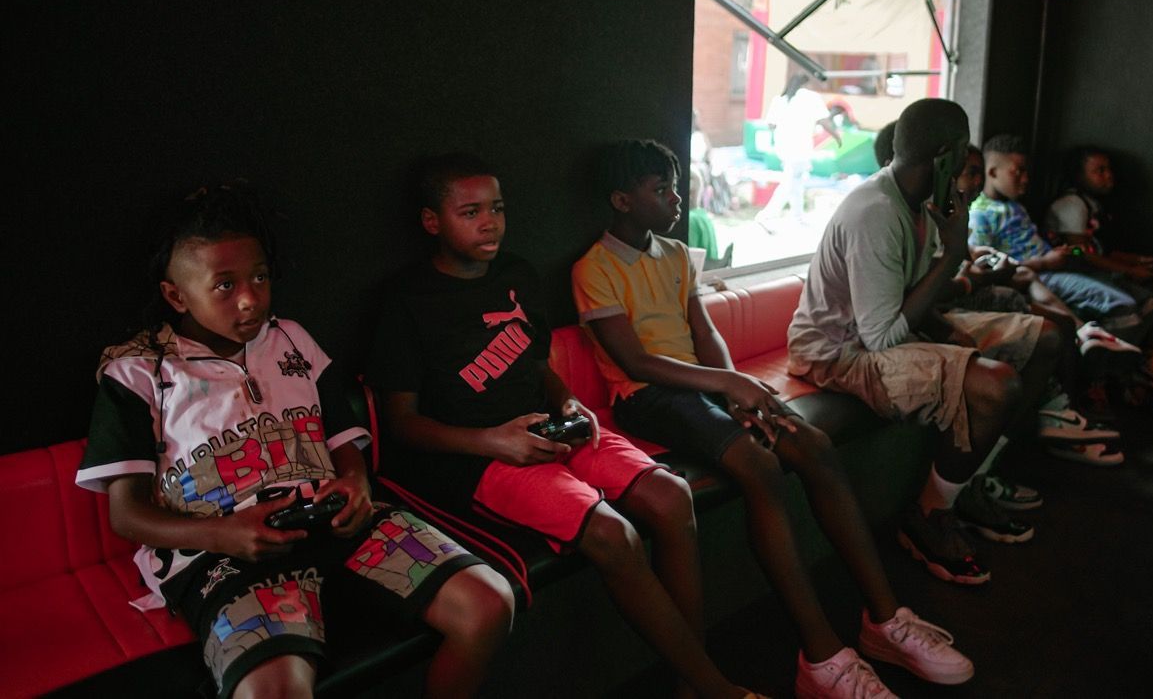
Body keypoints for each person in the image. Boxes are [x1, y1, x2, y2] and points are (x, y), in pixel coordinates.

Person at [75, 184, 514, 699]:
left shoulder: (292, 339)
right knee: (274, 692)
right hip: (224, 552)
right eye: (224, 285)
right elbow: (126, 515)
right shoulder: (136, 372)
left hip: (332, 520)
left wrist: (356, 482)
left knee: (489, 603)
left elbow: (343, 439)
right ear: (177, 294)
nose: (250, 298)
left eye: (259, 277)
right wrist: (225, 535)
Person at [574, 139, 973, 699]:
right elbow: (634, 361)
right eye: (660, 189)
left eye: (676, 185)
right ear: (621, 199)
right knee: (760, 467)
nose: (676, 198)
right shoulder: (594, 267)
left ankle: (885, 620)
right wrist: (727, 385)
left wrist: (740, 385)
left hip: (703, 385)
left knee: (811, 444)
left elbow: (704, 332)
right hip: (650, 396)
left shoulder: (674, 254)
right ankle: (821, 657)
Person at [365, 154, 755, 699]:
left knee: (671, 496)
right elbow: (400, 423)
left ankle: (690, 682)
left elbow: (538, 366)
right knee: (614, 535)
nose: (489, 223)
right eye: (470, 212)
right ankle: (715, 688)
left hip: (554, 427)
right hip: (483, 456)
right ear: (433, 222)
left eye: (496, 208)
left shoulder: (516, 274)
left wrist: (570, 401)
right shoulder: (404, 301)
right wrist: (492, 441)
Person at [788, 99, 1089, 586]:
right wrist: (953, 255)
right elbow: (881, 337)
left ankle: (967, 480)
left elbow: (917, 297)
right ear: (945, 153)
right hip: (839, 354)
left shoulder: (924, 200)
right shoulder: (876, 212)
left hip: (891, 333)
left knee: (1045, 339)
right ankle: (929, 515)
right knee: (997, 384)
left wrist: (958, 319)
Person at [969, 136, 1153, 415]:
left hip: (1055, 267)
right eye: (1017, 171)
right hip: (1042, 274)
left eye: (1026, 172)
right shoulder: (980, 214)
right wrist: (1045, 262)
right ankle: (1095, 373)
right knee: (1122, 305)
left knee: (1149, 297)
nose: (1025, 179)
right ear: (993, 171)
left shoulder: (1015, 206)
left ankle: (1125, 364)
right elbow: (995, 266)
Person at [1045, 145, 1153, 402]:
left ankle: (1144, 361)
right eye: (1098, 171)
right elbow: (1081, 253)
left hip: (1093, 269)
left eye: (1108, 170)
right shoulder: (1071, 204)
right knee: (1127, 309)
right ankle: (1097, 377)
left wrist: (1137, 261)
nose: (1108, 176)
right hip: (1073, 272)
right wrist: (1128, 270)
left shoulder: (1093, 205)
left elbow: (1099, 249)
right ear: (1079, 175)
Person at [758, 73, 840, 224]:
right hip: (800, 147)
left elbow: (770, 125)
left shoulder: (781, 99)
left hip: (784, 147)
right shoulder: (811, 98)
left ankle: (797, 216)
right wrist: (836, 136)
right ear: (807, 84)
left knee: (796, 181)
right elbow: (823, 121)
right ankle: (768, 214)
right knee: (790, 180)